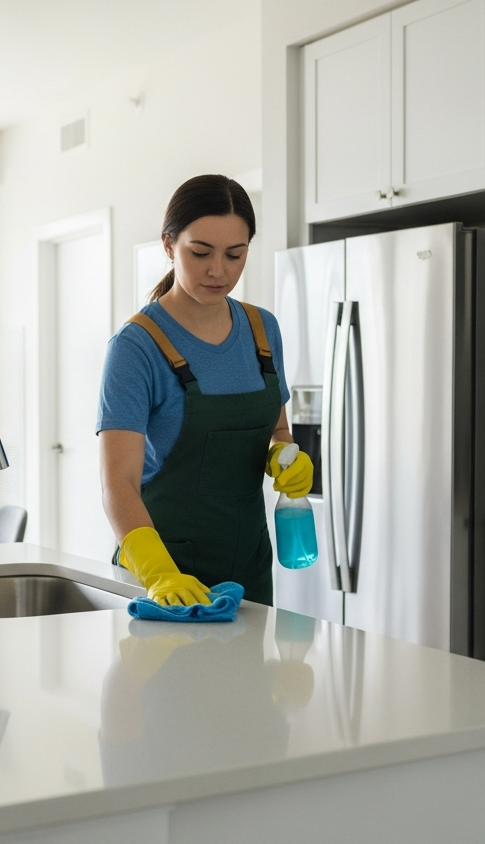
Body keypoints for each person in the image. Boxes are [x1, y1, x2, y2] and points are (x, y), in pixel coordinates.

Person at [98, 174, 313, 607]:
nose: (219, 270)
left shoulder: (261, 329)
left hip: (248, 567)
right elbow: (118, 484)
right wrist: (159, 575)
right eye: (200, 253)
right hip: (162, 578)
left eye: (235, 254)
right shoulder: (136, 347)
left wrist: (286, 456)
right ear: (168, 245)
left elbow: (277, 429)